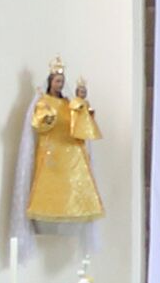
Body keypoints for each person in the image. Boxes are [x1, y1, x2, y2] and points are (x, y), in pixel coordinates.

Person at [26, 61, 104, 224]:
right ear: (50, 82)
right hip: (52, 148)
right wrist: (47, 117)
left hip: (69, 147)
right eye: (57, 81)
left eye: (62, 81)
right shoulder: (43, 101)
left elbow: (79, 123)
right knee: (49, 183)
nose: (60, 85)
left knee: (75, 178)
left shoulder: (68, 103)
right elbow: (38, 124)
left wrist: (82, 107)